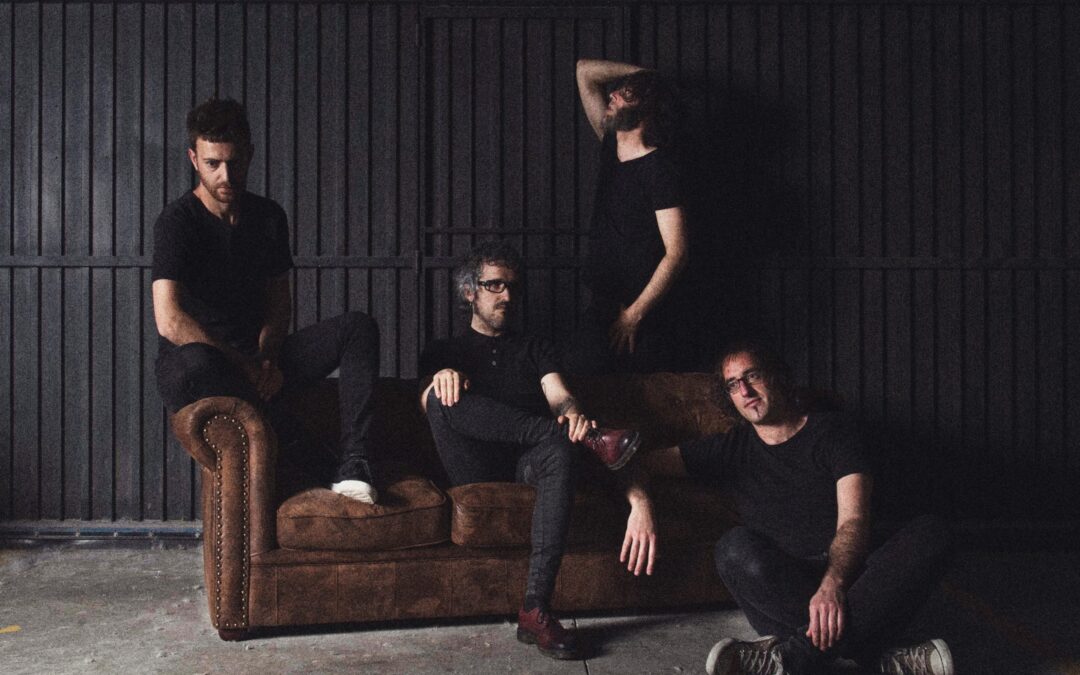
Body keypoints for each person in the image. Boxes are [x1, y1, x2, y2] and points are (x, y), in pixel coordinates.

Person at [622, 341, 954, 675]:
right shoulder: (731, 448)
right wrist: (641, 504)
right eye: (733, 385)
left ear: (776, 377)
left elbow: (854, 520)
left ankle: (790, 658)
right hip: (783, 585)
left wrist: (833, 585)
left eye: (753, 376)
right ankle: (879, 655)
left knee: (933, 533)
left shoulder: (834, 432)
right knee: (732, 549)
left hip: (853, 576)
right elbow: (634, 463)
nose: (745, 391)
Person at [152, 97, 383, 504]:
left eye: (234, 162)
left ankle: (354, 463)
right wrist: (245, 366)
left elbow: (279, 302)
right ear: (194, 159)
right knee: (195, 363)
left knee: (357, 327)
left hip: (257, 359)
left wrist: (268, 358)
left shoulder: (268, 216)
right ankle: (317, 460)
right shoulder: (177, 222)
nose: (225, 175)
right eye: (213, 164)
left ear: (250, 155)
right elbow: (170, 319)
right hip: (202, 363)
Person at [419, 241, 643, 660]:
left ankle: (535, 609)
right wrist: (441, 377)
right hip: (472, 463)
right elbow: (428, 408)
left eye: (512, 287)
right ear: (470, 292)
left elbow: (559, 397)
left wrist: (573, 416)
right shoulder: (444, 350)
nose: (506, 295)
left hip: (528, 461)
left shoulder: (535, 347)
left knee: (559, 445)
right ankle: (586, 441)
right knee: (440, 396)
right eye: (495, 285)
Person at [570, 59, 688, 374]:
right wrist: (644, 77)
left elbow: (677, 252)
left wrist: (634, 315)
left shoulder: (660, 170)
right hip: (604, 304)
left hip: (644, 313)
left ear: (647, 108)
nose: (613, 95)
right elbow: (585, 71)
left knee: (643, 391)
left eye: (626, 94)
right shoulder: (611, 145)